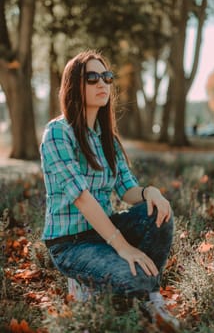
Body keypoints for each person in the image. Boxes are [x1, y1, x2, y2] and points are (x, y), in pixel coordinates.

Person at [40, 50, 176, 325]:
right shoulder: (57, 133)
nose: (102, 83)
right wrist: (123, 247)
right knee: (133, 278)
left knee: (160, 216)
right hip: (70, 244)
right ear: (73, 85)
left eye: (106, 76)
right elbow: (81, 198)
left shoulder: (107, 139)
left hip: (103, 232)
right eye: (92, 77)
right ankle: (88, 281)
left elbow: (128, 190)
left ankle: (150, 298)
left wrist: (151, 192)